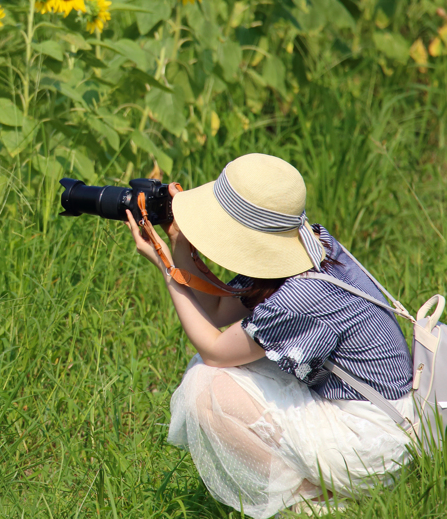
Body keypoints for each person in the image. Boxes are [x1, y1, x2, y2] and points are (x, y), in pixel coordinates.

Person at [124, 153, 415, 518]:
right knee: (223, 370)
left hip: (371, 446)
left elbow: (214, 349)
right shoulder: (310, 246)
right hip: (384, 417)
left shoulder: (301, 296)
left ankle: (306, 500)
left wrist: (167, 268)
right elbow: (218, 311)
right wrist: (180, 246)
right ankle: (311, 487)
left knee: (205, 384)